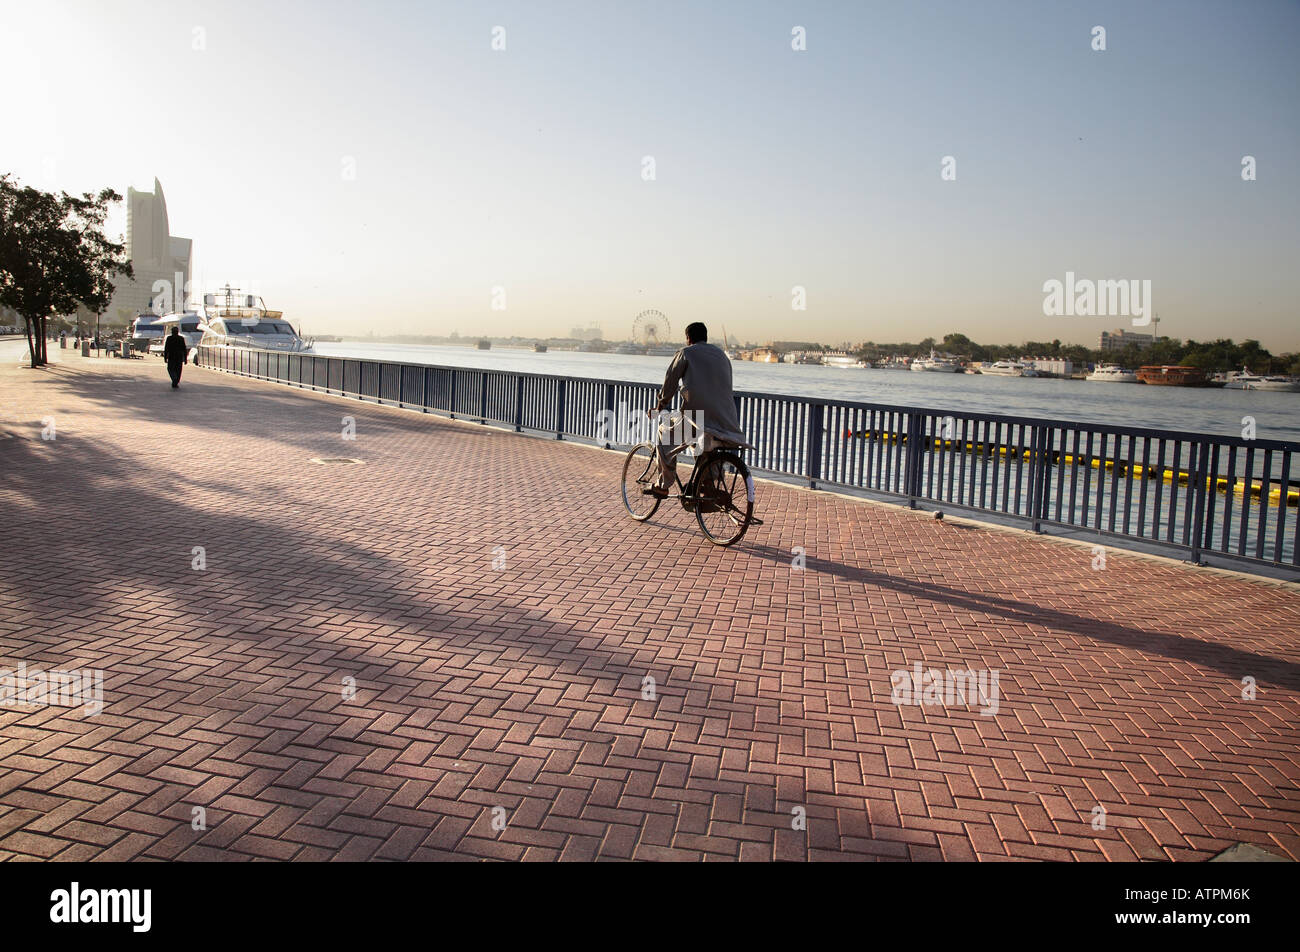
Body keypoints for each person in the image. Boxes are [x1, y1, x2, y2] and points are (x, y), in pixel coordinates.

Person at [644, 322, 748, 497]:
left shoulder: (686, 353)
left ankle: (663, 484)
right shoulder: (722, 356)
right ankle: (707, 482)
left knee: (664, 431)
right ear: (705, 337)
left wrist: (659, 406)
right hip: (725, 421)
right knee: (703, 442)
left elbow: (670, 384)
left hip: (696, 417)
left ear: (688, 338)